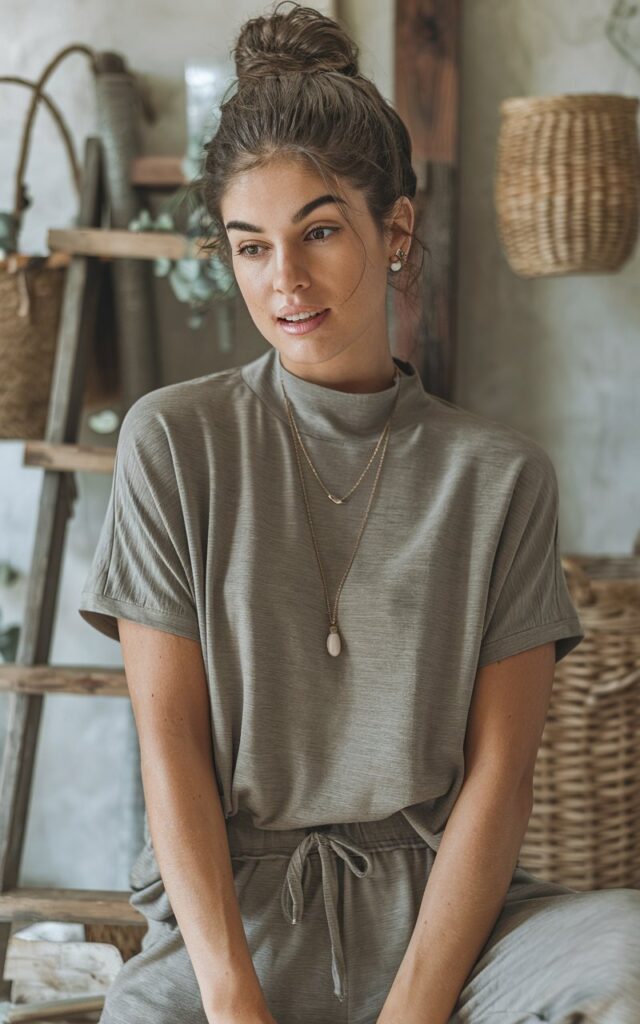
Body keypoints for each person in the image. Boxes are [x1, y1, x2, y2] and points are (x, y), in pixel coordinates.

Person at [78, 3, 640, 1023]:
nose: (283, 280)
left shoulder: (500, 478)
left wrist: (413, 1009)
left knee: (627, 952)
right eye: (250, 247)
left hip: (447, 924)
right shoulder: (175, 443)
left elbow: (498, 780)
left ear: (395, 230)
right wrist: (234, 1003)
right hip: (235, 927)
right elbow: (170, 753)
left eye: (319, 231)